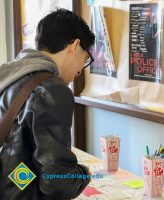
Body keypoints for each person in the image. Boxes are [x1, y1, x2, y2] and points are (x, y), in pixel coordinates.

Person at [0, 9, 95, 200]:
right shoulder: (52, 89)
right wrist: (84, 174)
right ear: (74, 46)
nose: (79, 72)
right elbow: (56, 180)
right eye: (84, 60)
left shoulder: (13, 77)